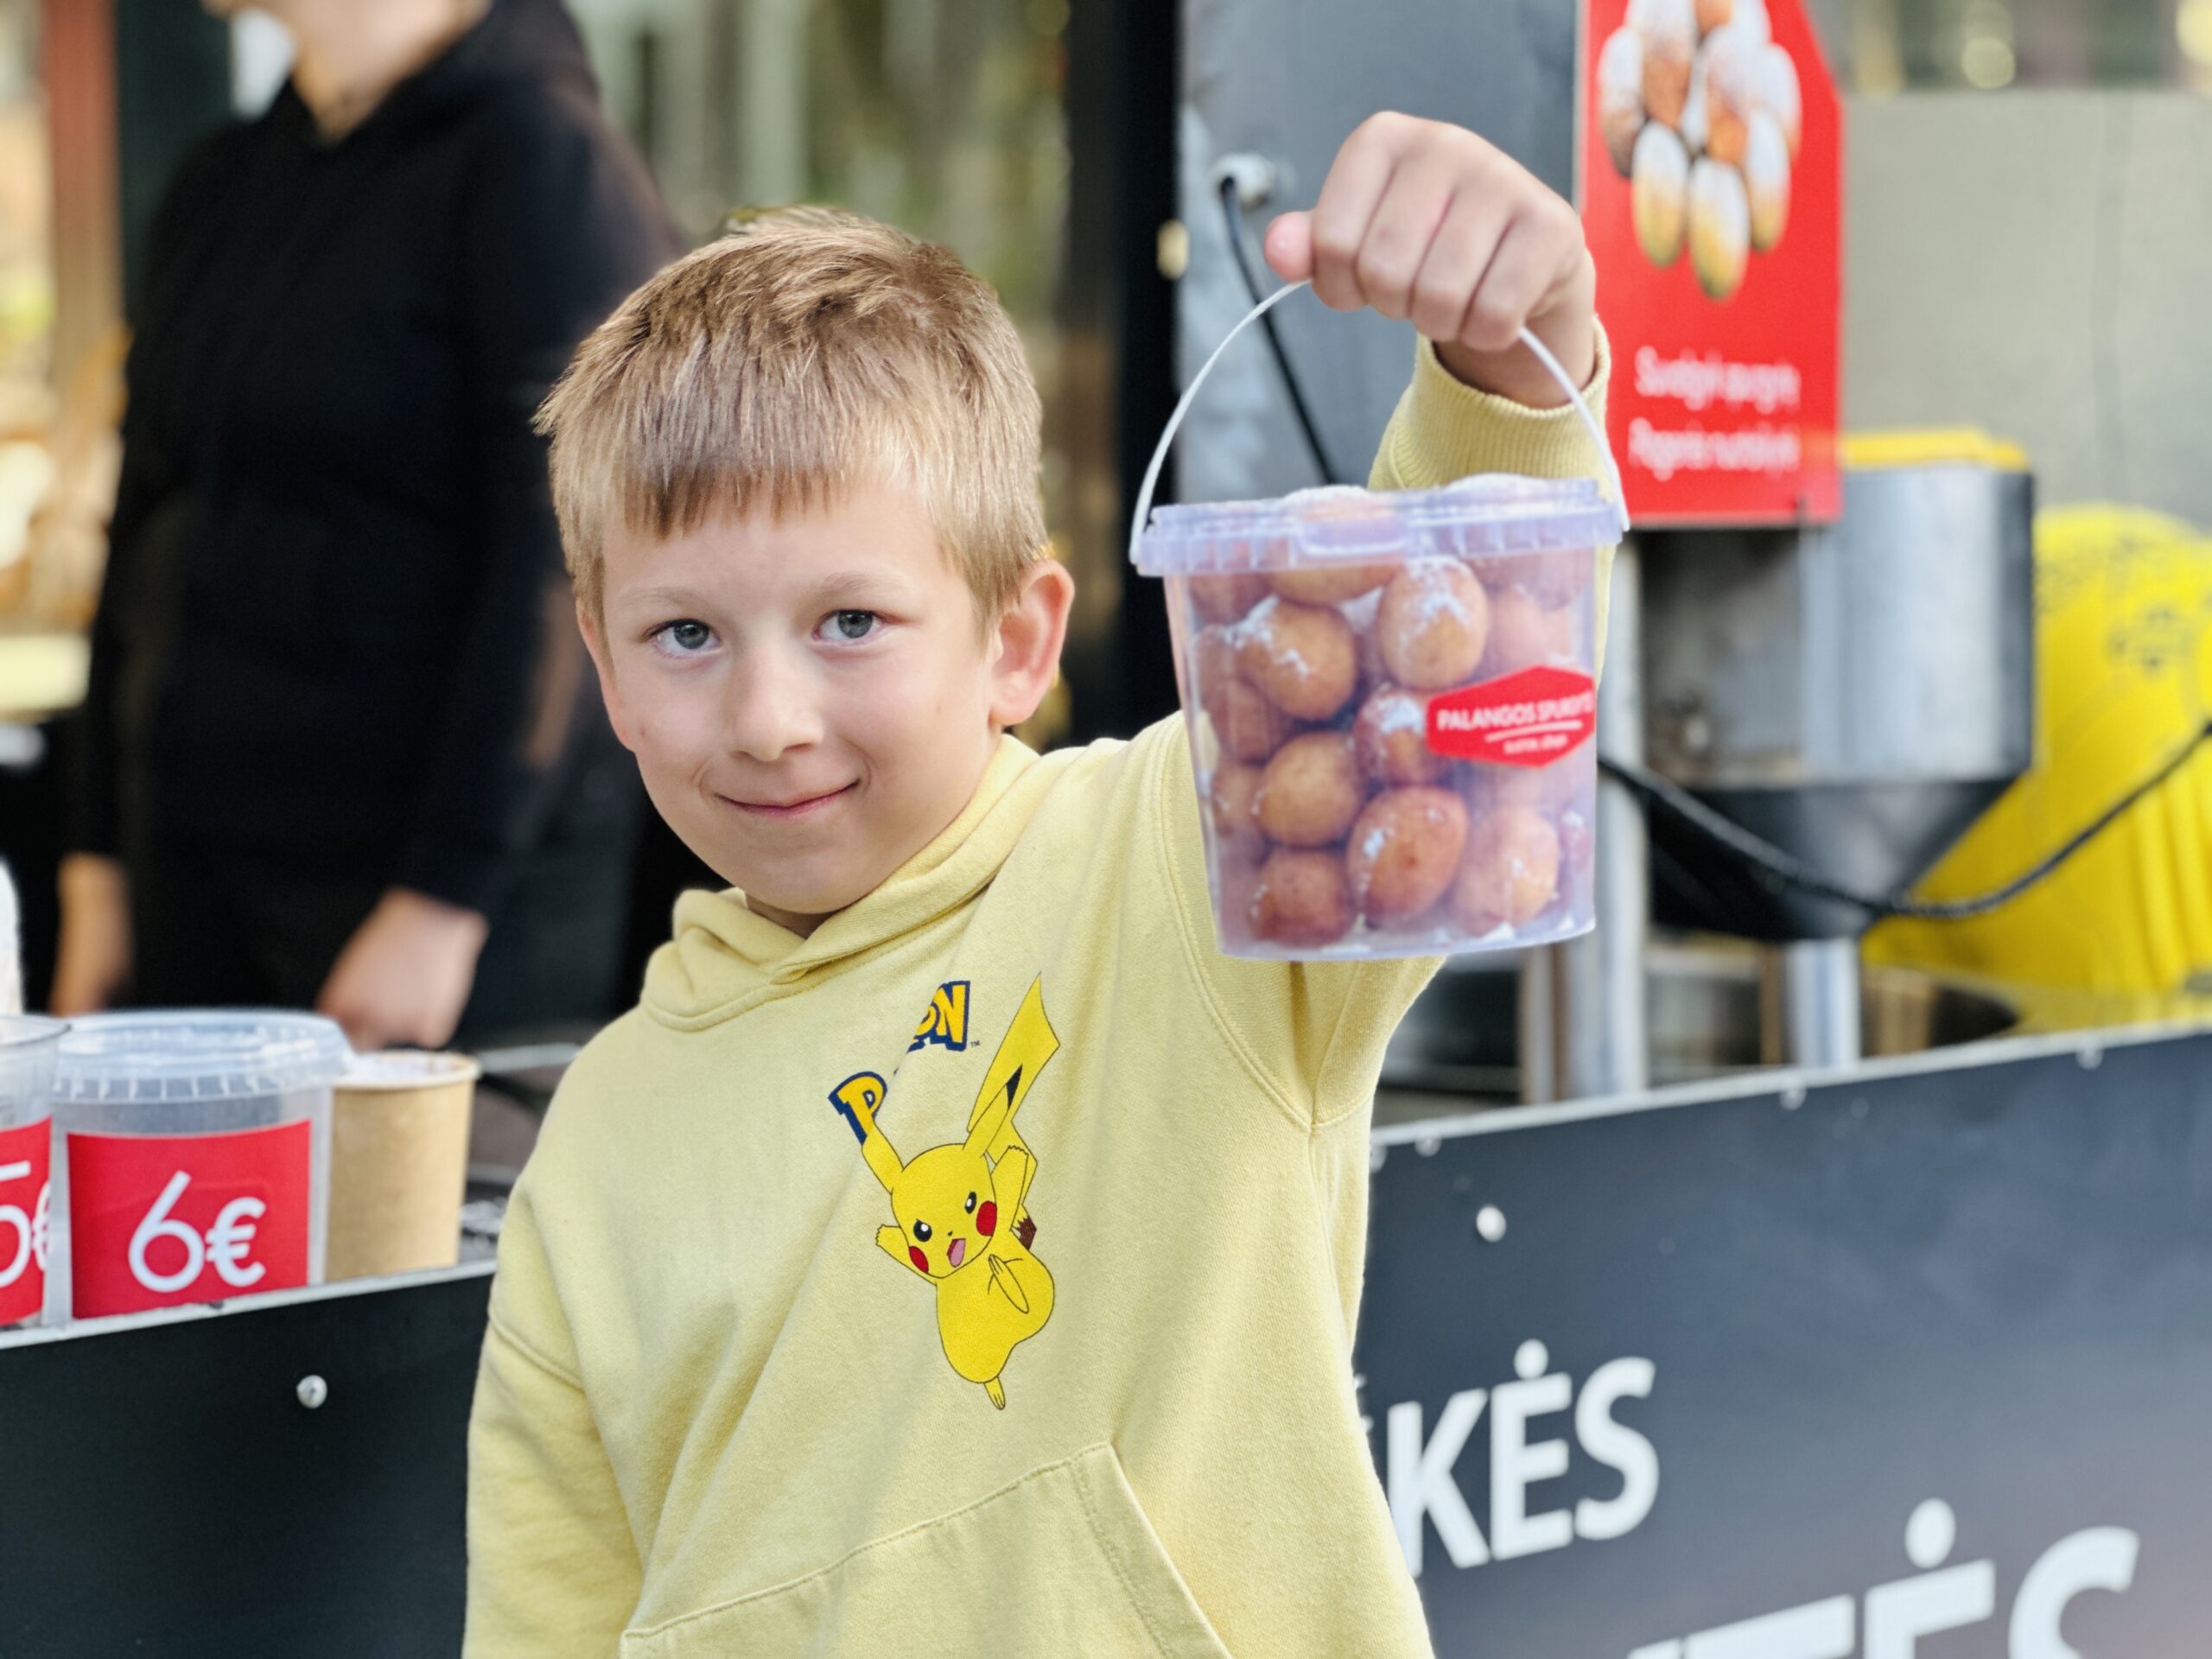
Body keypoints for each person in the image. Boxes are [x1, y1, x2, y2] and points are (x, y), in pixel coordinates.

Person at [466, 113, 1608, 1655]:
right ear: (603, 669)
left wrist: (1503, 358)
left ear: (1017, 640)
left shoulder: (1182, 867)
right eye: (687, 637)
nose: (768, 717)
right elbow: (549, 1623)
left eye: (852, 620)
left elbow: (1436, 664)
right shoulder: (590, 1144)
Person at [52, 0, 678, 1050]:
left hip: (431, 907)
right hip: (191, 883)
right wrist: (94, 864)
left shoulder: (543, 161)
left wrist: (444, 902)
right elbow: (142, 523)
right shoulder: (229, 177)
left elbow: (568, 556)